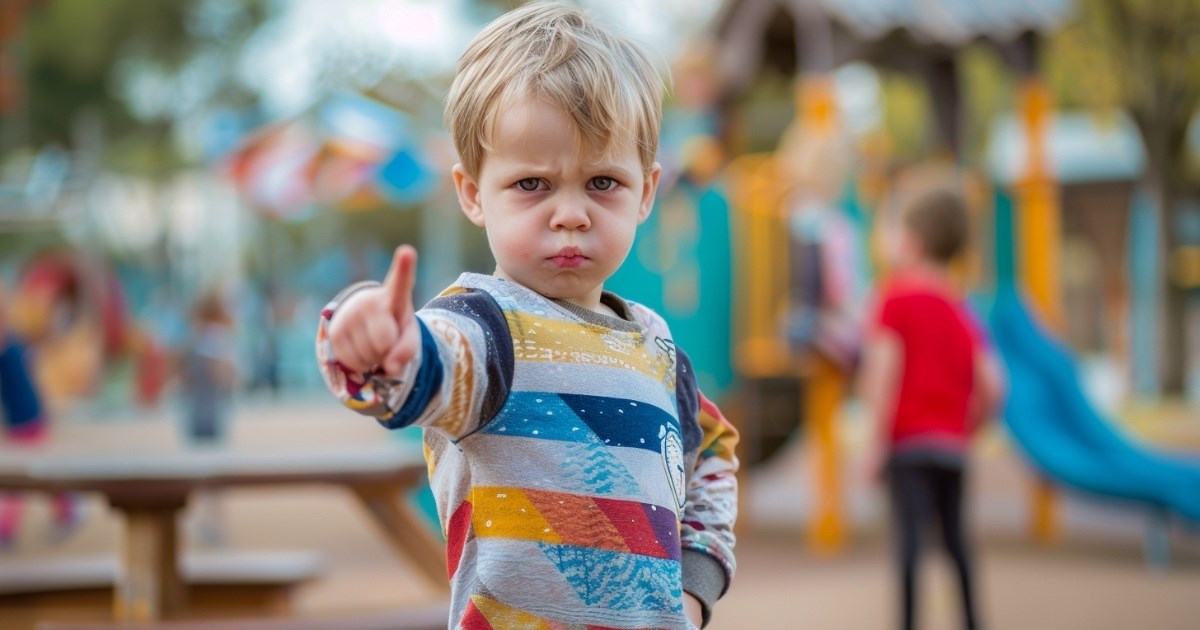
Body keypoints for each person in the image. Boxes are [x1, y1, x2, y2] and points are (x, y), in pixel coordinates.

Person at [316, 4, 738, 628]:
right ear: (472, 193)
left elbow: (713, 451)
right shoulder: (486, 331)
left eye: (602, 182)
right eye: (532, 184)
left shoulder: (658, 350)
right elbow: (427, 367)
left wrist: (696, 586)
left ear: (646, 192)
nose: (571, 214)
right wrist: (375, 340)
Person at [859, 178, 1005, 630]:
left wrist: (876, 445)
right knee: (957, 541)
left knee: (909, 544)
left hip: (907, 446)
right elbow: (994, 384)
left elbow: (884, 376)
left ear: (913, 242)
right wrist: (967, 428)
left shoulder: (894, 296)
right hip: (951, 446)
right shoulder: (961, 305)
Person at [0, 280, 78, 549]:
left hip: (28, 418)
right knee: (29, 473)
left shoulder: (11, 343)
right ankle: (66, 509)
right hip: (21, 420)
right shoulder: (12, 343)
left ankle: (65, 510)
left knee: (30, 474)